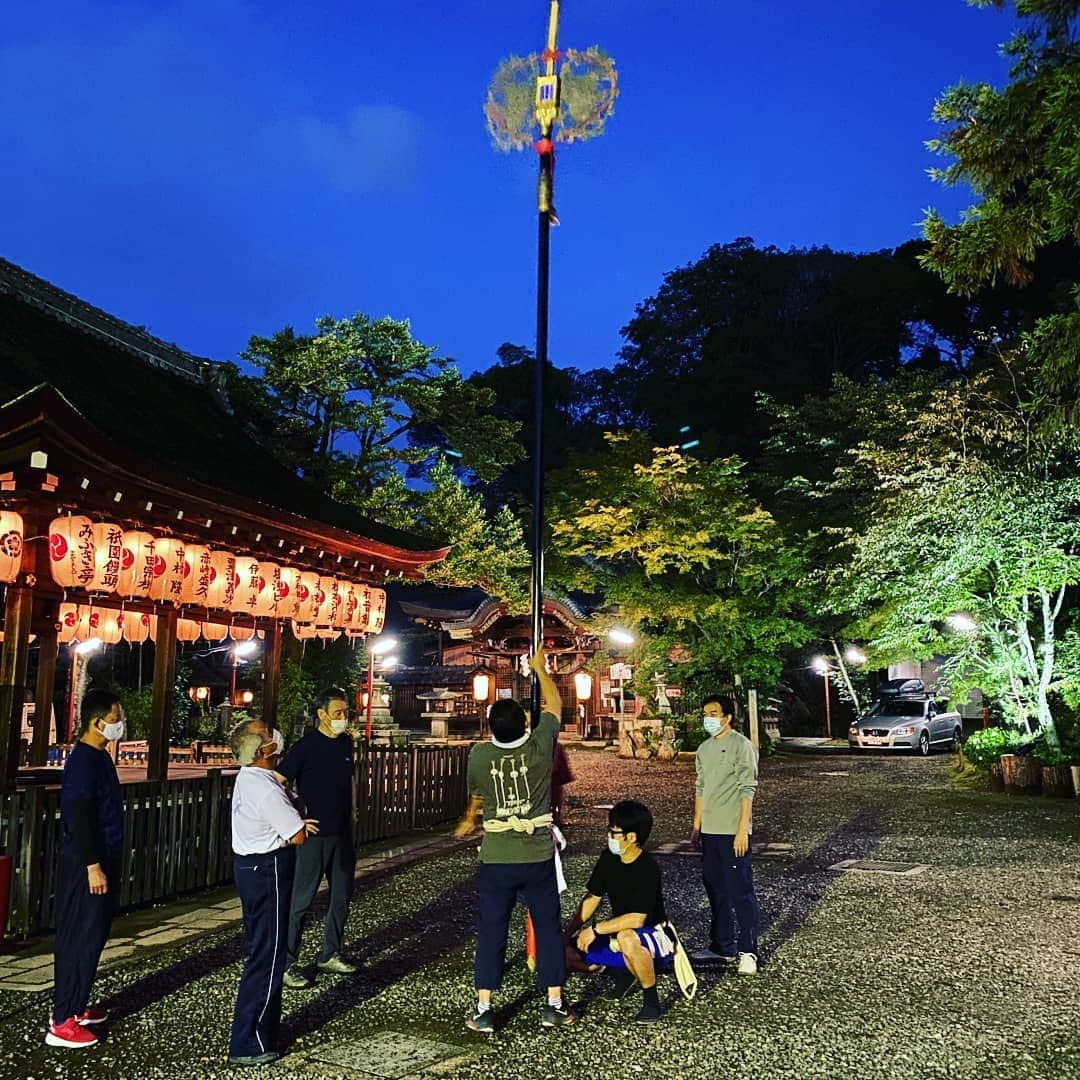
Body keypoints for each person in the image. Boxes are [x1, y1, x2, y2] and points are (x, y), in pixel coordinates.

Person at [455, 650, 574, 1033]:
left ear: (490, 725)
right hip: (536, 851)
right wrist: (540, 670)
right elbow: (555, 705)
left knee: (492, 928)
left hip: (497, 854)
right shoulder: (540, 747)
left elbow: (476, 796)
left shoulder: (479, 755)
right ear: (525, 722)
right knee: (547, 925)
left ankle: (484, 1005)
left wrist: (470, 819)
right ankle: (553, 1001)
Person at [228, 717, 317, 1067]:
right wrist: (296, 823)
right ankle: (250, 1039)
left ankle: (261, 1031)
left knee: (261, 950)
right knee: (269, 955)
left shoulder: (251, 779)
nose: (274, 737)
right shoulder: (265, 787)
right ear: (262, 750)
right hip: (268, 869)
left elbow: (295, 812)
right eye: (267, 735)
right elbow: (296, 831)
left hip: (250, 868)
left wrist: (295, 817)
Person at [47, 689, 126, 1050]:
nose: (119, 725)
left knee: (93, 933)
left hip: (103, 855)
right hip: (86, 861)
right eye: (115, 719)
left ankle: (76, 1005)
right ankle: (62, 1018)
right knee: (79, 935)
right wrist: (93, 865)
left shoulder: (99, 757)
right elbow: (77, 816)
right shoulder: (82, 760)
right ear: (97, 723)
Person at [277, 688, 357, 989]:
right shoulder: (305, 747)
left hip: (342, 831)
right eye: (337, 713)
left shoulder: (346, 743)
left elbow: (349, 780)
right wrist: (293, 818)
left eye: (345, 712)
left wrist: (353, 811)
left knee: (341, 897)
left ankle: (330, 952)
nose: (343, 718)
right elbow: (280, 782)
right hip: (314, 835)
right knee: (301, 899)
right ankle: (286, 962)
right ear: (322, 714)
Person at [570, 800, 672, 1023]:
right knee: (562, 952)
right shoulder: (608, 858)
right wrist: (567, 932)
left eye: (613, 832)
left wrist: (595, 930)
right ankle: (621, 972)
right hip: (617, 933)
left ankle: (651, 1000)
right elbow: (592, 898)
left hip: (652, 935)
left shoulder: (648, 867)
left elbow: (638, 918)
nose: (609, 836)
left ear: (631, 837)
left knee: (627, 937)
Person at [689, 694, 761, 975]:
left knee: (740, 891)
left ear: (727, 717)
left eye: (714, 713)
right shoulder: (704, 749)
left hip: (732, 831)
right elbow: (700, 787)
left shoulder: (740, 745)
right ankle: (722, 944)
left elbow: (747, 787)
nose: (709, 718)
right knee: (715, 889)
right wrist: (697, 826)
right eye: (706, 712)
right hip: (710, 830)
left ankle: (748, 950)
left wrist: (743, 829)